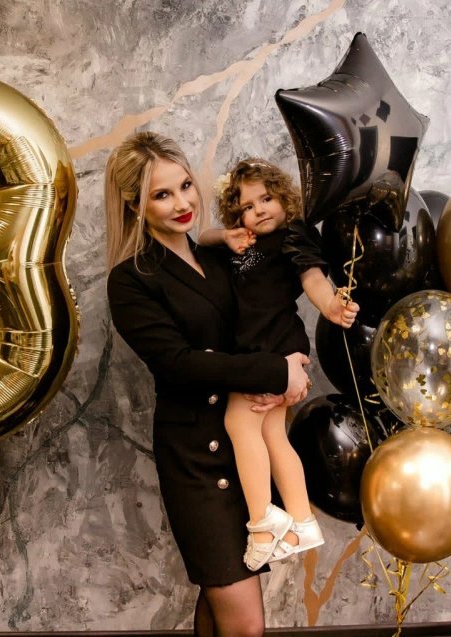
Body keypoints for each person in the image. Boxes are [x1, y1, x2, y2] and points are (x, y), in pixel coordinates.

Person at [105, 132, 313, 637]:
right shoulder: (130, 279)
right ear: (135, 205)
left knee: (221, 602)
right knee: (244, 619)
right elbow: (178, 364)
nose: (182, 203)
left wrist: (296, 361)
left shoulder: (222, 259)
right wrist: (274, 372)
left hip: (247, 449)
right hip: (197, 457)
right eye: (161, 194)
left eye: (185, 186)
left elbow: (272, 312)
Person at [199, 159, 359, 571]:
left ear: (284, 198)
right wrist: (227, 235)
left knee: (238, 422)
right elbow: (201, 238)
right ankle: (302, 520)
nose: (259, 210)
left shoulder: (292, 235)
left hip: (270, 347)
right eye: (247, 206)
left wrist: (330, 305)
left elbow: (312, 278)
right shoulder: (244, 242)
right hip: (254, 349)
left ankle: (262, 523)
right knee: (272, 434)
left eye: (266, 198)